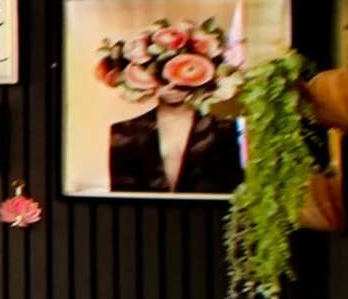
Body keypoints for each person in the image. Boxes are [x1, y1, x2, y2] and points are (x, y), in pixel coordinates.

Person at [95, 18, 243, 194]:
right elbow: (124, 201)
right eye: (163, 74)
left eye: (186, 72)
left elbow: (231, 197)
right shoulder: (125, 132)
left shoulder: (223, 130)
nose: (173, 84)